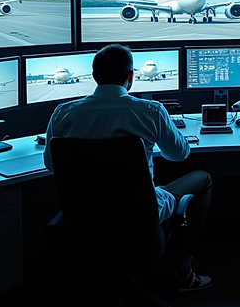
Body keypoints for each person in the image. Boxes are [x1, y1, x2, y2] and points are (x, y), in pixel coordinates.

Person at [43, 44, 213, 292]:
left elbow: (50, 165)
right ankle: (184, 272)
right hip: (139, 218)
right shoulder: (150, 111)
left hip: (86, 220)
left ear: (94, 77)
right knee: (203, 179)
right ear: (130, 76)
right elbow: (178, 155)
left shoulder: (62, 114)